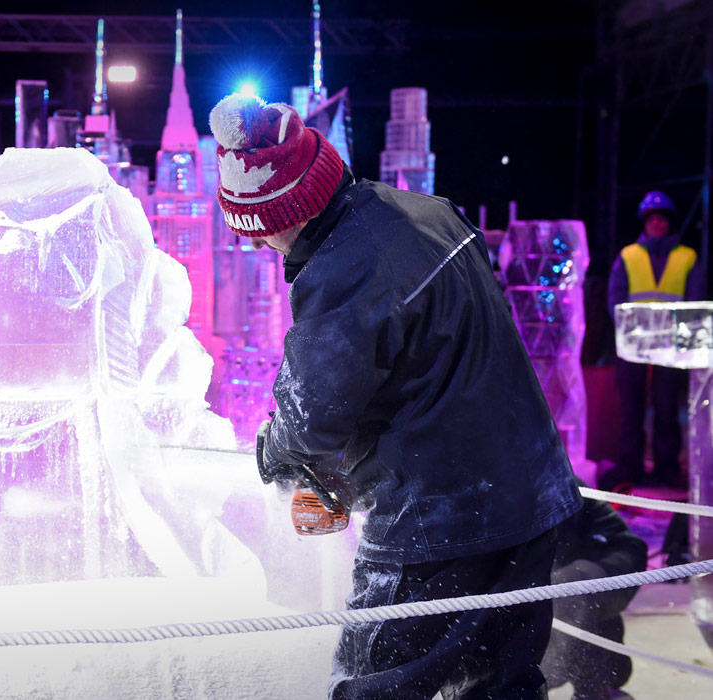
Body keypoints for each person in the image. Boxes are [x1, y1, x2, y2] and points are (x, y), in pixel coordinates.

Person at [208, 93, 583, 700]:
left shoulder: (344, 271)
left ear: (287, 213)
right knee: (502, 686)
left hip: (437, 526)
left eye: (257, 232)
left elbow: (312, 416)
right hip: (529, 501)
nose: (256, 247)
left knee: (373, 684)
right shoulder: (430, 213)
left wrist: (275, 448)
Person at [599, 190, 705, 493]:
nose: (657, 223)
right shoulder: (629, 256)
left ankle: (666, 467)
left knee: (667, 407)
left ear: (669, 223)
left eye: (662, 219)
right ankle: (630, 465)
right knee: (631, 407)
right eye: (652, 218)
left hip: (670, 349)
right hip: (633, 348)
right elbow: (615, 298)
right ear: (645, 222)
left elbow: (694, 300)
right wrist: (628, 332)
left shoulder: (687, 258)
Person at [542, 478, 647, 700]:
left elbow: (625, 544)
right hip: (569, 580)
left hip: (609, 560)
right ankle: (608, 659)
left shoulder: (550, 474)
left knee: (566, 587)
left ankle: (593, 690)